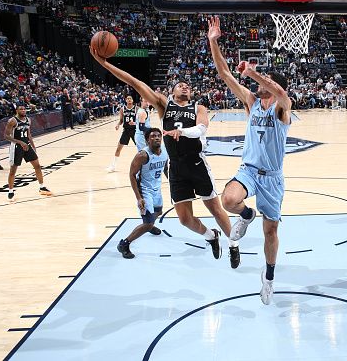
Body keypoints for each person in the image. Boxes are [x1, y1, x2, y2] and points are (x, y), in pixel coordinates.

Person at [90, 46, 239, 269]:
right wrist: (104, 64)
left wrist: (184, 132)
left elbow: (202, 127)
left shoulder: (198, 106)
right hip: (176, 167)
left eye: (187, 86)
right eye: (180, 85)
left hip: (197, 163)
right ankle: (210, 236)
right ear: (171, 91)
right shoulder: (164, 104)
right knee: (185, 219)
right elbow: (134, 82)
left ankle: (234, 245)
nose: (185, 86)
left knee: (215, 209)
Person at [208, 16, 291, 304]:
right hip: (249, 171)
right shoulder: (251, 103)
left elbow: (280, 93)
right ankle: (246, 215)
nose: (259, 83)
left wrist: (252, 72)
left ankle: (268, 276)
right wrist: (213, 41)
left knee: (271, 231)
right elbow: (225, 75)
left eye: (264, 81)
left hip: (273, 177)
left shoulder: (282, 108)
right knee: (228, 200)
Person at [117, 128, 168, 259]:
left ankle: (149, 226)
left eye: (158, 136)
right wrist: (139, 198)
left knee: (158, 212)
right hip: (145, 191)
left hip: (157, 189)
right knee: (148, 222)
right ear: (147, 140)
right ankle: (124, 244)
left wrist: (173, 183)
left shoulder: (165, 151)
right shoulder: (142, 155)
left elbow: (166, 168)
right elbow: (132, 175)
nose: (156, 138)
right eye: (153, 136)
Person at [4, 104, 53, 201]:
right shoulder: (12, 121)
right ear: (17, 110)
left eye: (24, 109)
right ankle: (10, 190)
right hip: (16, 147)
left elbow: (29, 135)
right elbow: (6, 136)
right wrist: (20, 142)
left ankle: (41, 186)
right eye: (21, 109)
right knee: (13, 170)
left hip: (27, 145)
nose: (23, 110)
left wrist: (34, 147)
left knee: (37, 166)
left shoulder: (28, 120)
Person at [107, 96, 137, 172]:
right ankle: (113, 166)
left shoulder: (137, 109)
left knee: (140, 148)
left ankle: (145, 165)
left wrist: (135, 123)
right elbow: (121, 120)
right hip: (126, 130)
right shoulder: (122, 109)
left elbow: (140, 120)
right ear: (126, 100)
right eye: (128, 98)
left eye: (130, 98)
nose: (129, 99)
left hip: (135, 130)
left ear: (132, 100)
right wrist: (118, 125)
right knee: (118, 148)